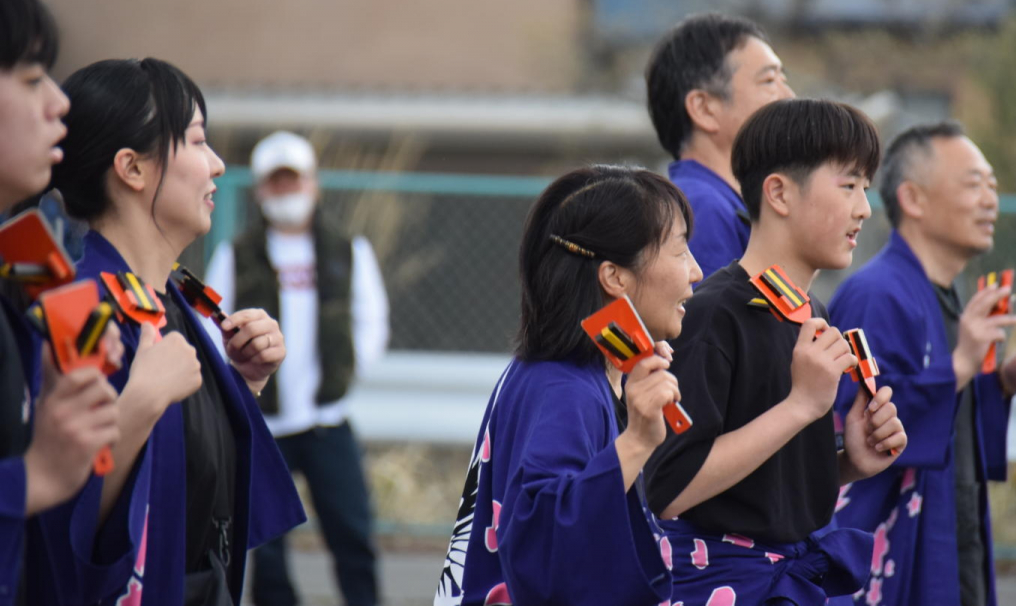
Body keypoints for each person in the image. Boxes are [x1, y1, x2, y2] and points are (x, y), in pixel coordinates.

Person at [40, 58, 305, 606]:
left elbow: (203, 496)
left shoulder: (173, 300)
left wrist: (239, 384)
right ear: (132, 169)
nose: (217, 164)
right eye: (196, 141)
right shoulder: (77, 308)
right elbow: (60, 512)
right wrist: (140, 404)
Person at [645, 98, 907, 605]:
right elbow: (670, 487)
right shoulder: (713, 315)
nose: (864, 208)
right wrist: (800, 407)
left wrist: (847, 461)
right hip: (720, 586)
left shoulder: (814, 315)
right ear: (780, 193)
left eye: (866, 189)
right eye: (848, 185)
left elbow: (760, 490)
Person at [434, 165, 701, 606]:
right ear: (614, 276)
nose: (696, 271)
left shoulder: (562, 375)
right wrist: (634, 442)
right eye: (679, 250)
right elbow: (543, 540)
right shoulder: (564, 387)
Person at [828, 122, 1016, 606]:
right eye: (974, 184)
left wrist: (1002, 380)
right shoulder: (877, 293)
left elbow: (950, 411)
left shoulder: (944, 295)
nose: (991, 200)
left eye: (992, 186)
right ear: (913, 199)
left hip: (955, 528)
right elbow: (856, 429)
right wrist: (958, 367)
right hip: (896, 551)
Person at [204, 130, 388, 606]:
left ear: (313, 184)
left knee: (353, 535)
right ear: (262, 190)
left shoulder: (348, 250)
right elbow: (212, 324)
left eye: (295, 181)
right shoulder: (236, 255)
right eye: (277, 183)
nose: (287, 194)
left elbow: (371, 322)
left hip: (328, 420)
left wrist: (343, 378)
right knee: (267, 549)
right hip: (266, 423)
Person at [0, 0, 125, 606]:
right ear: (130, 167)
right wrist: (31, 478)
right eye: (29, 79)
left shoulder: (21, 250)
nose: (58, 103)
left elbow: (86, 353)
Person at [644, 13, 795, 277]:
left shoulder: (722, 203)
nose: (789, 97)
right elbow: (711, 317)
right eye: (769, 81)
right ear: (704, 108)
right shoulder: (700, 210)